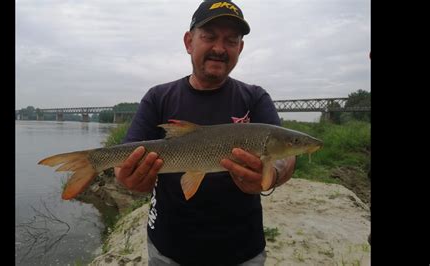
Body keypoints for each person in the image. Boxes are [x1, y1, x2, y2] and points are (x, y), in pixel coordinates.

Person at [114, 1, 297, 265]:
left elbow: (286, 156)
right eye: (209, 37)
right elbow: (124, 164)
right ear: (189, 42)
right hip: (168, 250)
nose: (220, 49)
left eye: (231, 40)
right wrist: (127, 178)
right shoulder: (158, 97)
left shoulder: (255, 97)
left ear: (240, 48)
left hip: (242, 251)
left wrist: (273, 174)